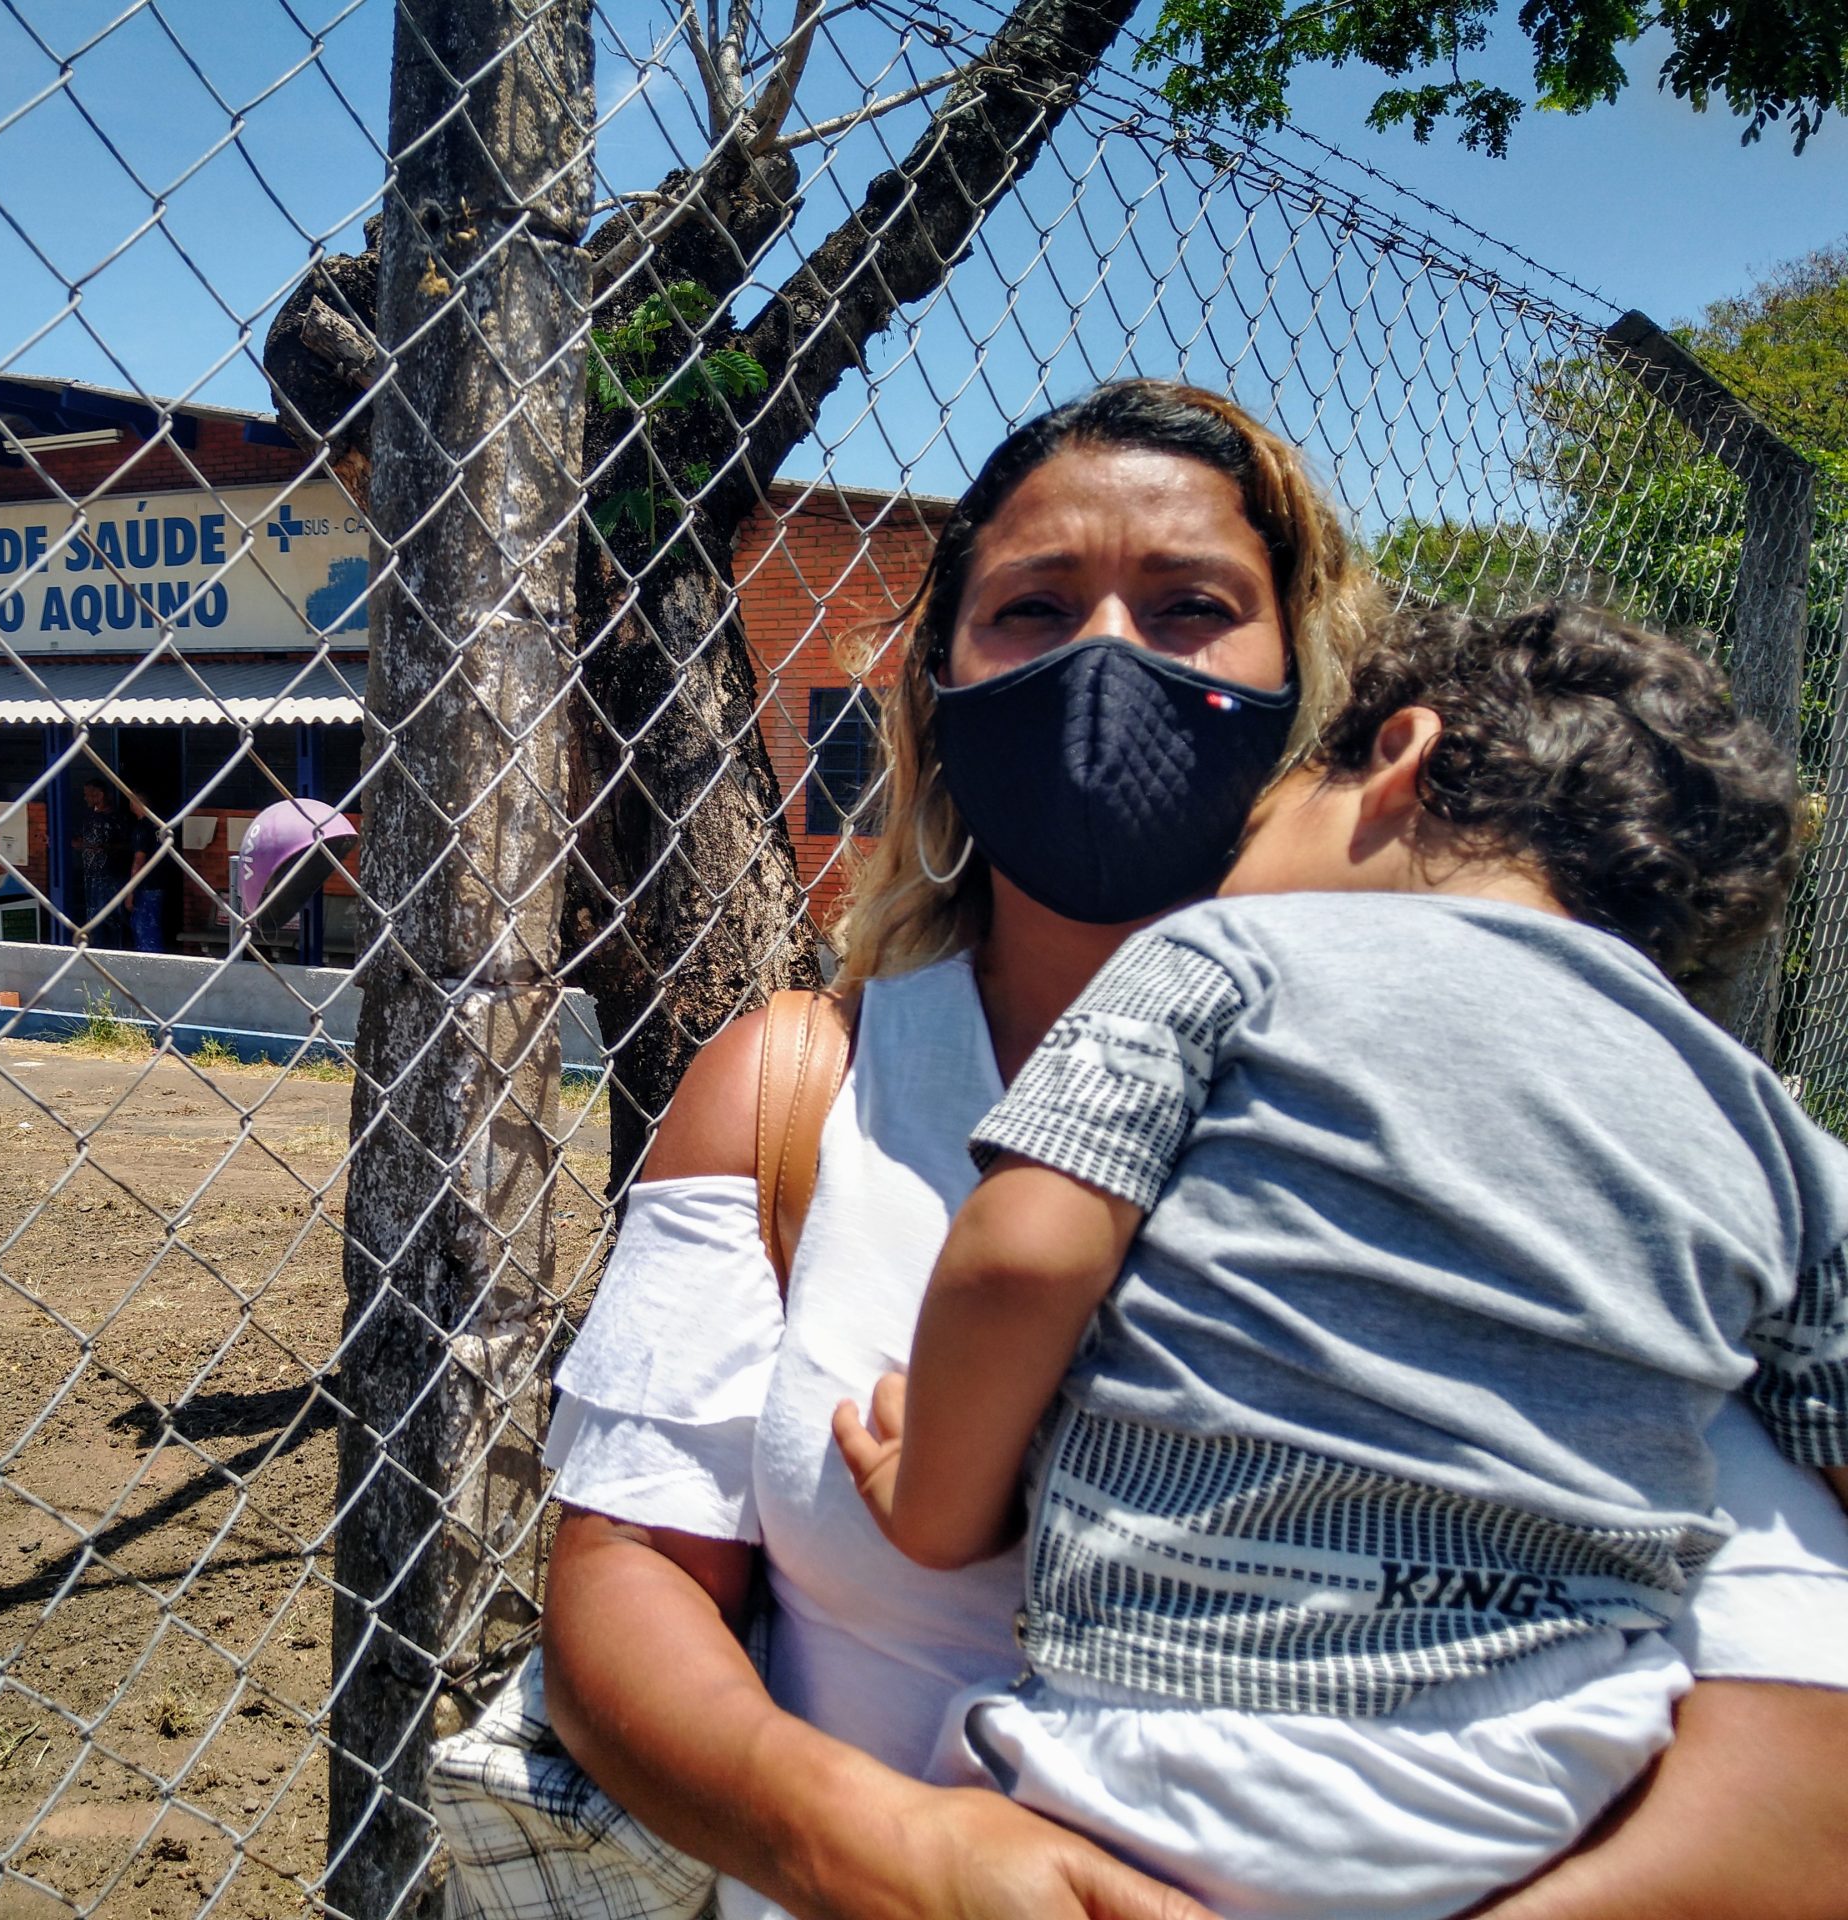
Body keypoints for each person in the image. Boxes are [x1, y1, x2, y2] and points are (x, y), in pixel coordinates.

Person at [536, 381, 1848, 1920]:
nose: (1105, 661)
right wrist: (881, 1849)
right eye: (1032, 611)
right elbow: (626, 1579)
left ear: (1322, 690)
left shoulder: (1571, 1141)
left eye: (1189, 608)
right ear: (939, 694)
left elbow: (1801, 1751)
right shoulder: (798, 1095)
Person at [832, 601, 1846, 1919]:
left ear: (1399, 756)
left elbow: (1026, 1255)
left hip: (1169, 1738)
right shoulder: (1762, 1116)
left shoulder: (1225, 954)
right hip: (1562, 1772)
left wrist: (936, 1504)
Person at [70, 775, 137, 948]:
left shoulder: (118, 818)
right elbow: (76, 840)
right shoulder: (87, 818)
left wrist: (107, 847)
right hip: (91, 876)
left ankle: (118, 950)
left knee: (114, 917)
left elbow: (130, 845)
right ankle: (98, 950)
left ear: (100, 795)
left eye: (89, 794)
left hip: (112, 876)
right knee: (94, 917)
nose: (86, 798)